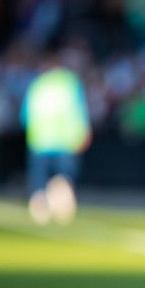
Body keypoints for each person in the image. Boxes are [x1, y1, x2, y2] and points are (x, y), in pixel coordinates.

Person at [22, 51, 91, 225]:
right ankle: (61, 203)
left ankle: (40, 206)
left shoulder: (38, 84)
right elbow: (79, 109)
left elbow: (24, 115)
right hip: (65, 140)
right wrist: (84, 132)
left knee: (40, 179)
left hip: (40, 139)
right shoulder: (69, 82)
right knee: (64, 178)